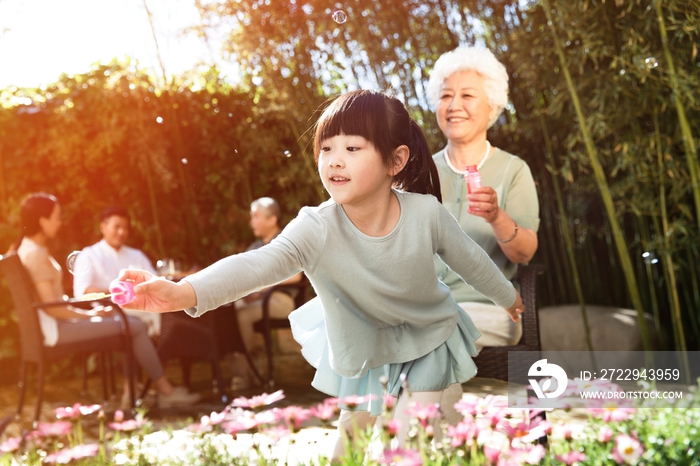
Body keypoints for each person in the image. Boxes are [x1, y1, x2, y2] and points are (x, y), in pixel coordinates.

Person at [116, 90, 524, 459]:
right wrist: (183, 292)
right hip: (366, 349)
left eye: (352, 147)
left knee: (410, 443)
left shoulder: (426, 214)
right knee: (349, 446)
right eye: (326, 148)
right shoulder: (316, 226)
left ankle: (446, 429)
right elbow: (257, 264)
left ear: (395, 161)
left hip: (429, 339)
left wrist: (507, 295)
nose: (334, 160)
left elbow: (469, 259)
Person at [426, 46, 540, 425]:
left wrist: (496, 216)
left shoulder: (512, 171)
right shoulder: (418, 172)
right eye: (445, 95)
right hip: (425, 307)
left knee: (432, 339)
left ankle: (437, 448)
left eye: (467, 95)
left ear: (492, 107)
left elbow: (524, 253)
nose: (454, 104)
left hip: (491, 309)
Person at [9, 193, 200, 409]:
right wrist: (91, 315)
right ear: (42, 220)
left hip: (56, 325)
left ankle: (135, 391)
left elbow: (52, 304)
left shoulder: (29, 250)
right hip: (57, 328)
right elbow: (54, 309)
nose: (60, 223)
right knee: (133, 325)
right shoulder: (35, 255)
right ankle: (164, 390)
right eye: (56, 217)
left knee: (130, 325)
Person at [231, 197, 303, 389]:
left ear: (272, 220)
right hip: (257, 301)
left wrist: (262, 288)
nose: (251, 221)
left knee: (242, 316)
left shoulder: (286, 241)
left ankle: (243, 375)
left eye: (255, 216)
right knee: (229, 311)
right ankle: (251, 371)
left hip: (280, 300)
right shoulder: (254, 247)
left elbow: (296, 277)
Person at [73, 206, 161, 337]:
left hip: (141, 305)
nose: (121, 232)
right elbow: (82, 292)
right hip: (110, 311)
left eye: (125, 228)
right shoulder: (89, 255)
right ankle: (160, 341)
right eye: (117, 227)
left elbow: (155, 280)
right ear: (103, 227)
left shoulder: (136, 255)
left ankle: (160, 341)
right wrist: (117, 290)